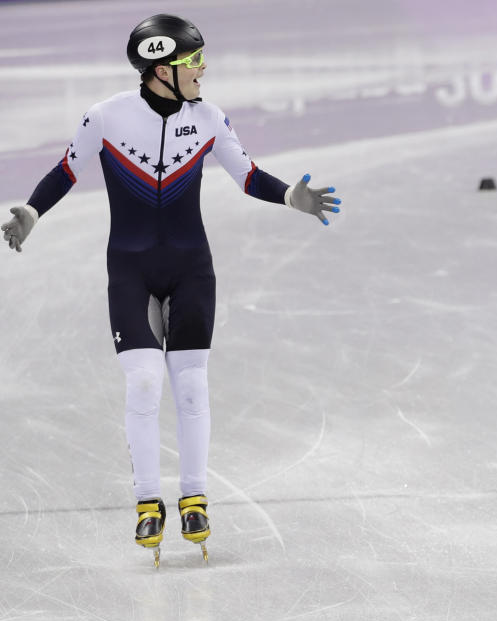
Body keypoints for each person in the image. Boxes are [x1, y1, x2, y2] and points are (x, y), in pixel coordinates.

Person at [2, 14, 341, 567]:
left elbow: (248, 174)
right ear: (162, 70)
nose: (203, 69)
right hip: (130, 269)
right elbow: (67, 169)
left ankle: (193, 495)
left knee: (189, 384)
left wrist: (290, 198)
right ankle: (145, 501)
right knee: (142, 381)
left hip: (191, 268)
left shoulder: (208, 118)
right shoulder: (106, 116)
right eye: (193, 62)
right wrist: (32, 211)